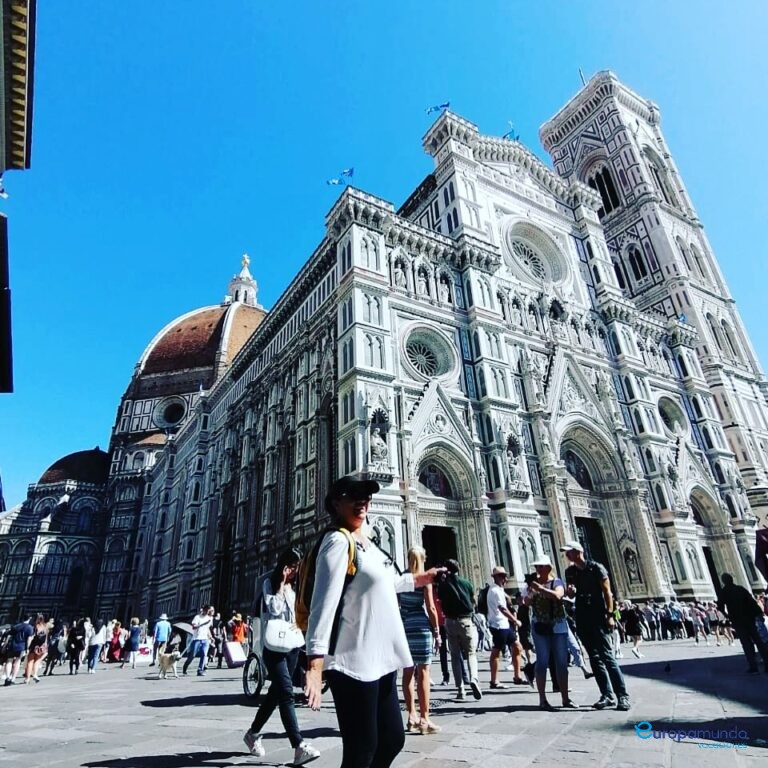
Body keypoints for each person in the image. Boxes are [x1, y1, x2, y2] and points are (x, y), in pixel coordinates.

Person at [304, 476, 445, 768]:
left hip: (379, 661)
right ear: (335, 503)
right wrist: (314, 665)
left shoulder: (368, 542)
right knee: (361, 750)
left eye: (366, 496)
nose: (362, 502)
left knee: (393, 739)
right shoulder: (337, 541)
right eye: (353, 496)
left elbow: (388, 582)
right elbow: (323, 604)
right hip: (352, 662)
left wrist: (423, 578)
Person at [243, 547, 320, 765]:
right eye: (293, 568)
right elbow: (274, 610)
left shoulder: (295, 587)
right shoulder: (270, 584)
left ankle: (252, 734)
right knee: (286, 692)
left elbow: (298, 613)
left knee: (275, 695)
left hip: (293, 645)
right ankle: (299, 746)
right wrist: (280, 584)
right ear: (284, 566)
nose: (295, 572)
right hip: (274, 647)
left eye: (297, 568)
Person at [562, 541, 631, 711]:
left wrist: (610, 615)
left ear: (578, 552)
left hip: (599, 614)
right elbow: (571, 591)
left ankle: (622, 696)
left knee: (607, 656)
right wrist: (570, 591)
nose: (566, 555)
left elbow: (607, 592)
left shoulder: (596, 568)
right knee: (594, 657)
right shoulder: (570, 571)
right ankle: (606, 695)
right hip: (582, 615)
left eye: (569, 552)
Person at [400, 545, 441, 735]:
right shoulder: (424, 579)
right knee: (423, 672)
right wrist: (437, 631)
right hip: (421, 627)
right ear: (423, 559)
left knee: (407, 672)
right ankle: (425, 719)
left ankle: (411, 715)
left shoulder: (402, 578)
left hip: (405, 626)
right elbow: (431, 608)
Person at [524, 557, 575, 710]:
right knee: (542, 662)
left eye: (541, 566)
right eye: (536, 566)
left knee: (561, 662)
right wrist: (530, 593)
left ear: (548, 567)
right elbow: (526, 602)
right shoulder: (532, 584)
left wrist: (540, 589)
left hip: (558, 625)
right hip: (539, 626)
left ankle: (565, 699)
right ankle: (542, 699)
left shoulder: (556, 582)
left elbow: (558, 595)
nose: (538, 569)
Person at [437, 558, 483, 701]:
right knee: (470, 653)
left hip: (450, 622)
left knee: (455, 656)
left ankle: (460, 690)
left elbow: (440, 599)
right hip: (466, 621)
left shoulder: (443, 585)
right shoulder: (467, 583)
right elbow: (473, 601)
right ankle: (474, 678)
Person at [719, 572, 768, 673]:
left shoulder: (724, 591)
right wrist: (758, 614)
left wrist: (727, 615)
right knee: (758, 641)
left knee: (746, 643)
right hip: (749, 619)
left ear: (724, 582)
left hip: (738, 621)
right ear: (732, 579)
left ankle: (753, 667)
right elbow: (752, 601)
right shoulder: (740, 589)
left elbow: (720, 606)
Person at [486, 565, 524, 688]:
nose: (505, 579)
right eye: (502, 576)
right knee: (497, 651)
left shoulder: (498, 589)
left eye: (505, 576)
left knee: (517, 647)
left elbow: (505, 601)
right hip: (498, 625)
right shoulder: (495, 591)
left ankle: (517, 676)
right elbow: (502, 609)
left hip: (504, 624)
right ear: (496, 577)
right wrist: (515, 620)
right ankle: (494, 681)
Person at [183, 605, 214, 676]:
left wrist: (210, 637)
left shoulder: (209, 618)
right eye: (206, 610)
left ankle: (200, 670)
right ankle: (185, 667)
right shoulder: (197, 617)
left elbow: (207, 628)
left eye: (209, 611)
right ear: (203, 610)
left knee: (204, 655)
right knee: (192, 655)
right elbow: (193, 627)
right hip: (197, 639)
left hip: (205, 639)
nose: (207, 612)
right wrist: (199, 625)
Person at [22, 614, 48, 684]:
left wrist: (28, 647)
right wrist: (45, 646)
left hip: (33, 645)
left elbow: (31, 637)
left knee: (30, 662)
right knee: (37, 661)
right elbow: (46, 638)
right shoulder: (45, 627)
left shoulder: (33, 627)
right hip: (41, 646)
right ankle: (35, 675)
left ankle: (27, 678)